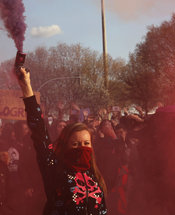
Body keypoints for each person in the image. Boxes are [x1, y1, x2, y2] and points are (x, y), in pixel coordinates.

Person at [16, 67, 107, 214]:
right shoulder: (55, 170)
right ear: (66, 146)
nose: (81, 148)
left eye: (86, 144)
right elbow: (40, 134)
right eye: (75, 144)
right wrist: (27, 88)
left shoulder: (95, 176)